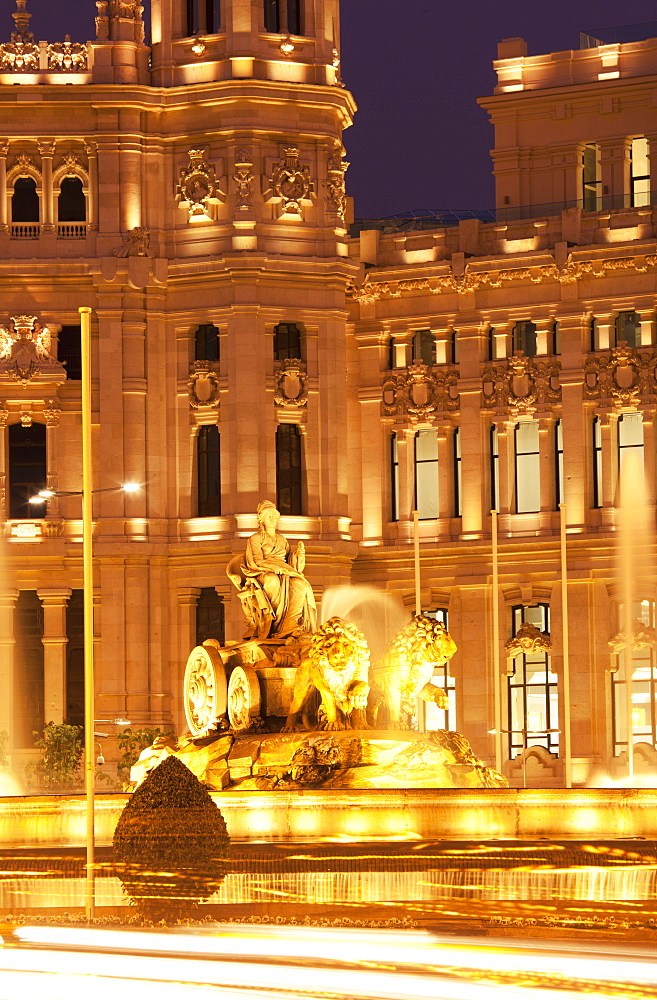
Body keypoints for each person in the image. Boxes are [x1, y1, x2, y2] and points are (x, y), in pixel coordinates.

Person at [239, 500, 317, 640]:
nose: (272, 519)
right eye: (269, 516)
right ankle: (273, 623)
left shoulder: (282, 540)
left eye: (274, 516)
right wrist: (277, 568)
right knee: (272, 580)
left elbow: (291, 563)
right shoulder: (255, 539)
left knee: (302, 584)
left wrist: (299, 557)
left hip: (285, 572)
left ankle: (289, 623)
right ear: (261, 520)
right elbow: (257, 561)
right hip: (263, 572)